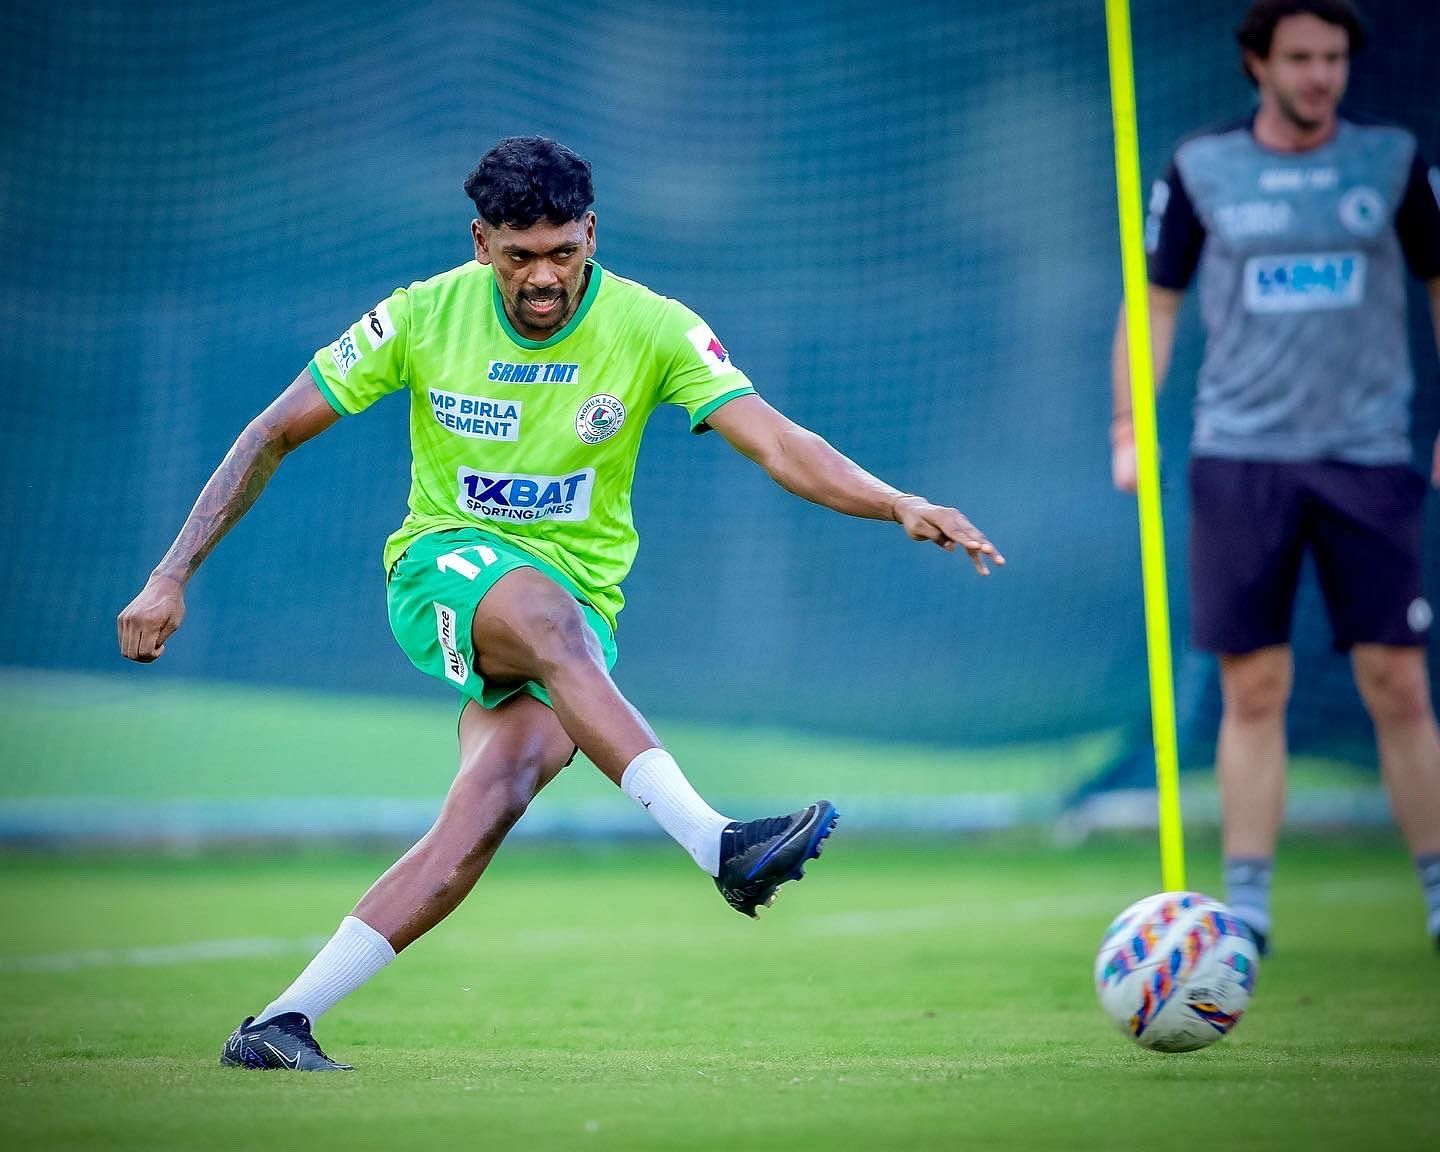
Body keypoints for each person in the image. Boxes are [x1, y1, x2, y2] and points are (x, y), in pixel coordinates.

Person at [117, 136, 1003, 1070]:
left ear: (590, 232)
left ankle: (277, 1024)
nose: (542, 278)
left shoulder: (655, 326)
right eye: (517, 256)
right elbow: (271, 431)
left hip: (577, 619)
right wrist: (172, 574)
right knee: (546, 619)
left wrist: (895, 499)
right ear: (479, 243)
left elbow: (779, 442)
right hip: (443, 570)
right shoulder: (418, 317)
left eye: (561, 253)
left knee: (489, 801)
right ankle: (717, 844)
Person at [1109, 0, 1440, 954]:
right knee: (1254, 688)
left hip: (1368, 461)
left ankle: (1436, 892)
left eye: (1333, 58)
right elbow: (1154, 304)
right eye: (1300, 58)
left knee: (1399, 683)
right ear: (1258, 63)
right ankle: (1245, 913)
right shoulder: (1204, 169)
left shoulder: (1395, 162)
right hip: (1240, 462)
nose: (1319, 76)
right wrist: (1130, 423)